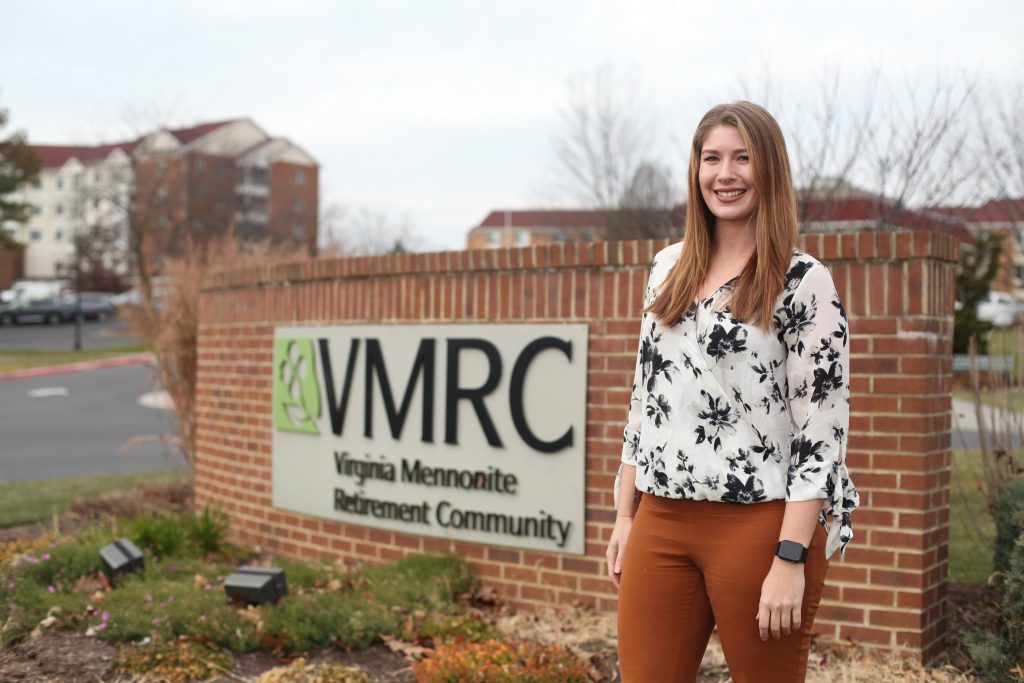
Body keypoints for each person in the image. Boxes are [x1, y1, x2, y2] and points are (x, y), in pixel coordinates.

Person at [605, 101, 859, 683]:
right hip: (662, 520)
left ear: (769, 169)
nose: (727, 174)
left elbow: (822, 432)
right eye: (712, 158)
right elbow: (645, 396)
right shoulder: (666, 267)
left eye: (743, 158)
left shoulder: (803, 281)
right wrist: (625, 515)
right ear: (695, 170)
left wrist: (790, 558)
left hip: (761, 525)